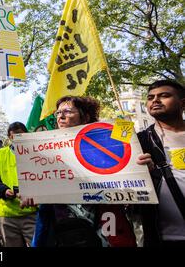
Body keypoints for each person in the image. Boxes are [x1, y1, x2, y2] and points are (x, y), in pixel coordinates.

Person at [22, 96, 138, 247]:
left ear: (85, 116)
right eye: (57, 113)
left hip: (107, 224)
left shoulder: (109, 140)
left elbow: (132, 182)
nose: (60, 116)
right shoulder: (43, 151)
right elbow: (40, 189)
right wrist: (32, 192)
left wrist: (140, 166)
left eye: (67, 111)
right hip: (62, 229)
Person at [136, 79, 185, 247]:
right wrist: (142, 173)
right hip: (164, 238)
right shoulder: (137, 142)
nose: (155, 100)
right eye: (150, 98)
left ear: (182, 103)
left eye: (164, 95)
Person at [0, 122, 37, 247]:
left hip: (31, 213)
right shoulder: (1, 155)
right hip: (7, 215)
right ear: (9, 137)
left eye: (21, 135)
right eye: (14, 136)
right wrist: (4, 191)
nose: (18, 139)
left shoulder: (37, 153)